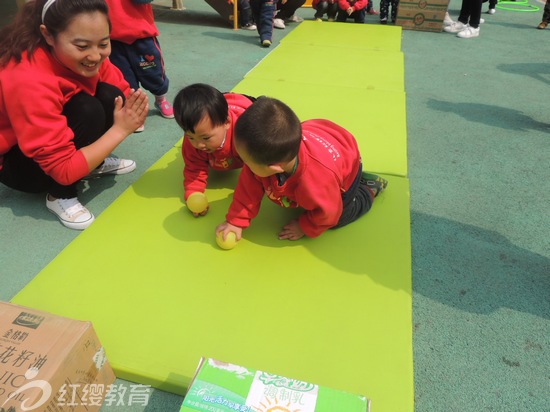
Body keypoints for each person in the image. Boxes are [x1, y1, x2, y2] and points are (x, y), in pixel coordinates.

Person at [0, 0, 148, 230]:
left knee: (111, 96)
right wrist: (120, 129)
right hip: (17, 165)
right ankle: (59, 195)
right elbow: (62, 170)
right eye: (82, 46)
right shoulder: (28, 78)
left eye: (103, 43)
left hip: (49, 138)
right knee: (87, 109)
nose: (95, 55)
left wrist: (133, 106)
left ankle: (91, 163)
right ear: (48, 36)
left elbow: (118, 90)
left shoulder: (90, 54)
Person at [215, 97, 388, 243]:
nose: (241, 163)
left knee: (338, 217)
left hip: (347, 161)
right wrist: (236, 221)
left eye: (245, 160)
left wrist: (304, 226)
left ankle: (368, 189)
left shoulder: (318, 181)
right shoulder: (272, 157)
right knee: (266, 182)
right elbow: (247, 189)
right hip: (317, 132)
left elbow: (329, 214)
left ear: (274, 167)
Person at [172, 83, 256, 216]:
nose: (198, 145)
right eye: (191, 137)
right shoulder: (196, 136)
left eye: (205, 138)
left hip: (245, 106)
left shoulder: (246, 135)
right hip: (221, 105)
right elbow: (194, 168)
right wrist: (193, 193)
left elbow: (256, 171)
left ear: (226, 123)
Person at [105, 0, 173, 128]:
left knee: (153, 72)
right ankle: (136, 111)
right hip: (114, 37)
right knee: (125, 78)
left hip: (142, 34)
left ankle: (160, 99)